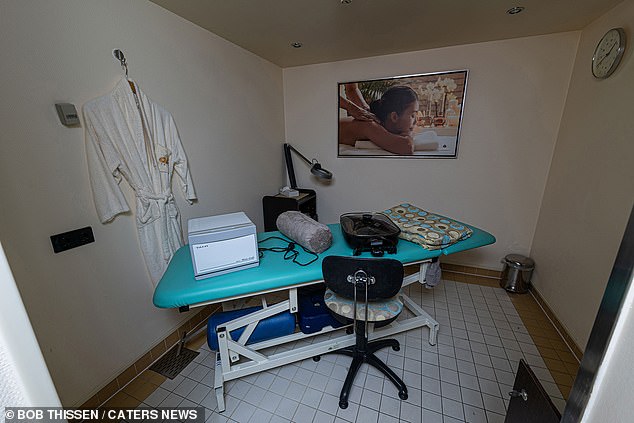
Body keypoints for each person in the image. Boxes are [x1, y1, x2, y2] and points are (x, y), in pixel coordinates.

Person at [339, 84, 419, 155]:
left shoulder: (379, 123)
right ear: (394, 117)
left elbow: (351, 88)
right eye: (412, 115)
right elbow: (406, 147)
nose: (416, 121)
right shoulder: (370, 125)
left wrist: (364, 107)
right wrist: (408, 133)